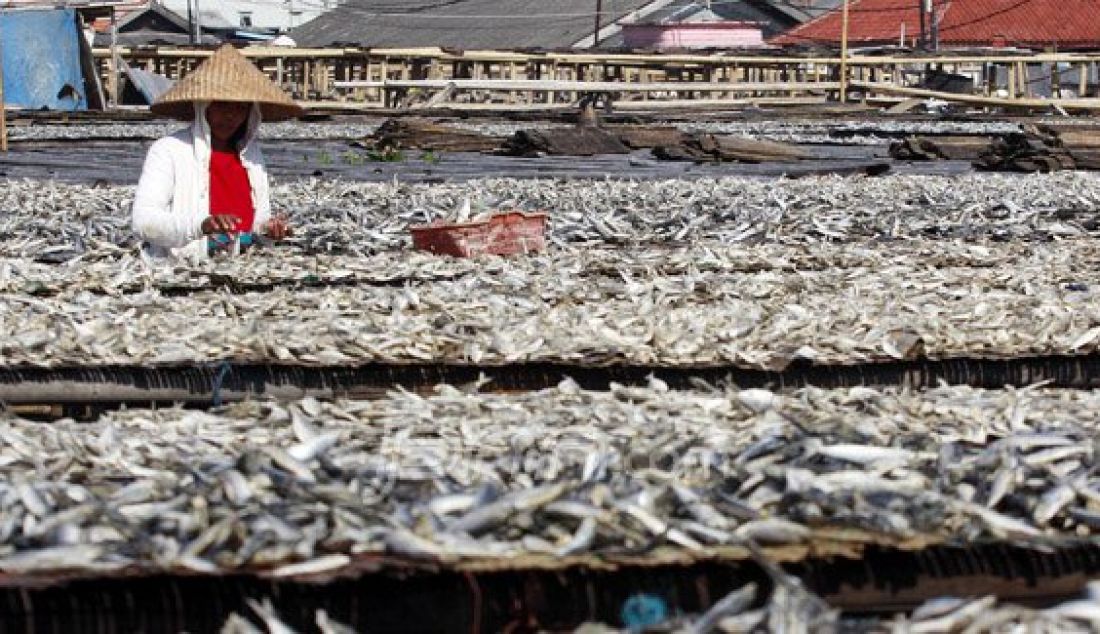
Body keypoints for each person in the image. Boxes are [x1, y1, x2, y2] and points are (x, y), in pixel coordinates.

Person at [132, 44, 304, 259]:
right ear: (204, 106)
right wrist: (201, 225)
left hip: (244, 264)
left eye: (240, 108)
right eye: (222, 105)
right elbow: (143, 221)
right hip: (185, 266)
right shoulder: (168, 150)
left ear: (251, 113)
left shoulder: (252, 156)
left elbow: (257, 221)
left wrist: (270, 230)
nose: (231, 116)